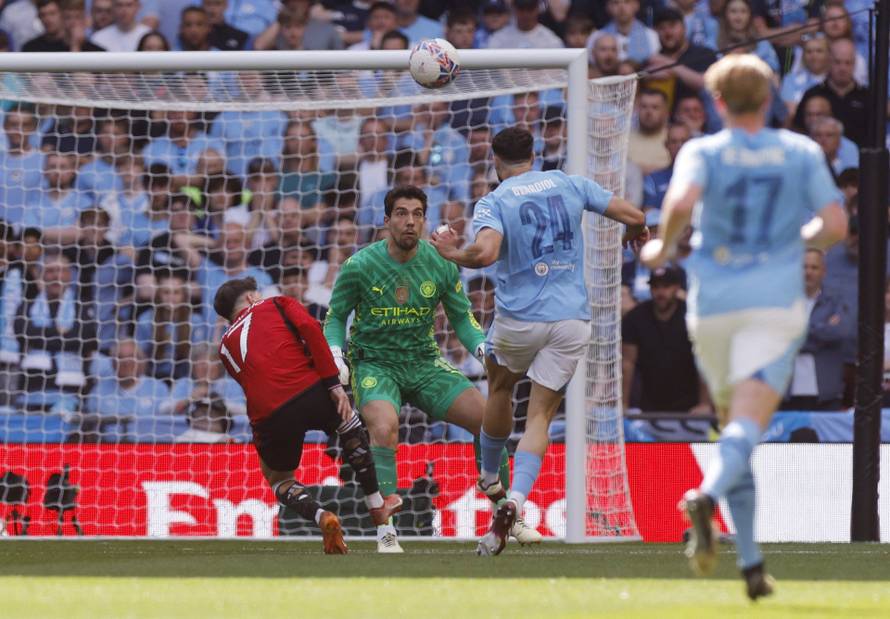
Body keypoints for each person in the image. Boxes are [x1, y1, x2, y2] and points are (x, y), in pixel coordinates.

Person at [639, 54, 847, 599]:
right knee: (747, 425)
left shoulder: (701, 150)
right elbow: (836, 224)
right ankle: (705, 496)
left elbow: (680, 204)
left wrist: (663, 244)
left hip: (713, 303)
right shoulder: (799, 151)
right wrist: (795, 241)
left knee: (735, 425)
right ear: (772, 98)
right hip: (773, 302)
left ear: (719, 102)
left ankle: (752, 564)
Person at [429, 126, 647, 556]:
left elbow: (487, 252)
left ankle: (491, 475)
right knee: (541, 416)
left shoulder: (495, 200)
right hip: (571, 319)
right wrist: (632, 236)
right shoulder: (570, 183)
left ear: (495, 160)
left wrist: (451, 252)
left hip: (519, 320)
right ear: (534, 153)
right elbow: (636, 216)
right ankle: (516, 501)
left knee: (502, 388)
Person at [323, 185, 534, 553]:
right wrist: (336, 354)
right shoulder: (360, 265)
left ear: (424, 219)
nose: (410, 221)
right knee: (385, 428)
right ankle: (386, 530)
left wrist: (484, 348)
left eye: (417, 213)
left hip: (423, 362)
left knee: (488, 418)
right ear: (387, 221)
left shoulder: (440, 263)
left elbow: (463, 320)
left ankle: (505, 511)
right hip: (375, 364)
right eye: (402, 214)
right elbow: (336, 316)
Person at [214, 276, 402, 554]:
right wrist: (334, 384)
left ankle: (321, 516)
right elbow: (311, 331)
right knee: (347, 421)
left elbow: (250, 382)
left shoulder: (224, 347)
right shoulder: (277, 303)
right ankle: (377, 506)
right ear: (253, 298)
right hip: (310, 390)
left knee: (279, 479)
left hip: (270, 414)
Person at [622, 266, 709, 413]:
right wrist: (623, 404)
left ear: (677, 288)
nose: (660, 292)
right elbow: (626, 363)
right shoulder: (635, 318)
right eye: (655, 287)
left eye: (666, 286)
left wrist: (704, 404)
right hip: (647, 406)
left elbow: (704, 359)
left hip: (690, 407)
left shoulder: (693, 316)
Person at [781, 249, 850, 411]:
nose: (808, 272)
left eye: (814, 267)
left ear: (823, 271)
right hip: (787, 391)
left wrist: (799, 333)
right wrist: (821, 328)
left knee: (824, 437)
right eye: (804, 267)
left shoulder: (836, 301)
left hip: (825, 392)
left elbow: (840, 332)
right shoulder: (783, 303)